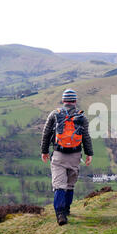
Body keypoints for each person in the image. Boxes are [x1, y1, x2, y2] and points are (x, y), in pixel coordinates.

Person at [40, 89, 93, 225]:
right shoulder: (82, 117)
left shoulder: (55, 114)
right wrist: (89, 154)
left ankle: (60, 214)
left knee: (59, 185)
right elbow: (86, 137)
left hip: (59, 155)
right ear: (75, 101)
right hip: (75, 155)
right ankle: (67, 209)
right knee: (70, 185)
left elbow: (46, 134)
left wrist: (44, 151)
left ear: (63, 101)